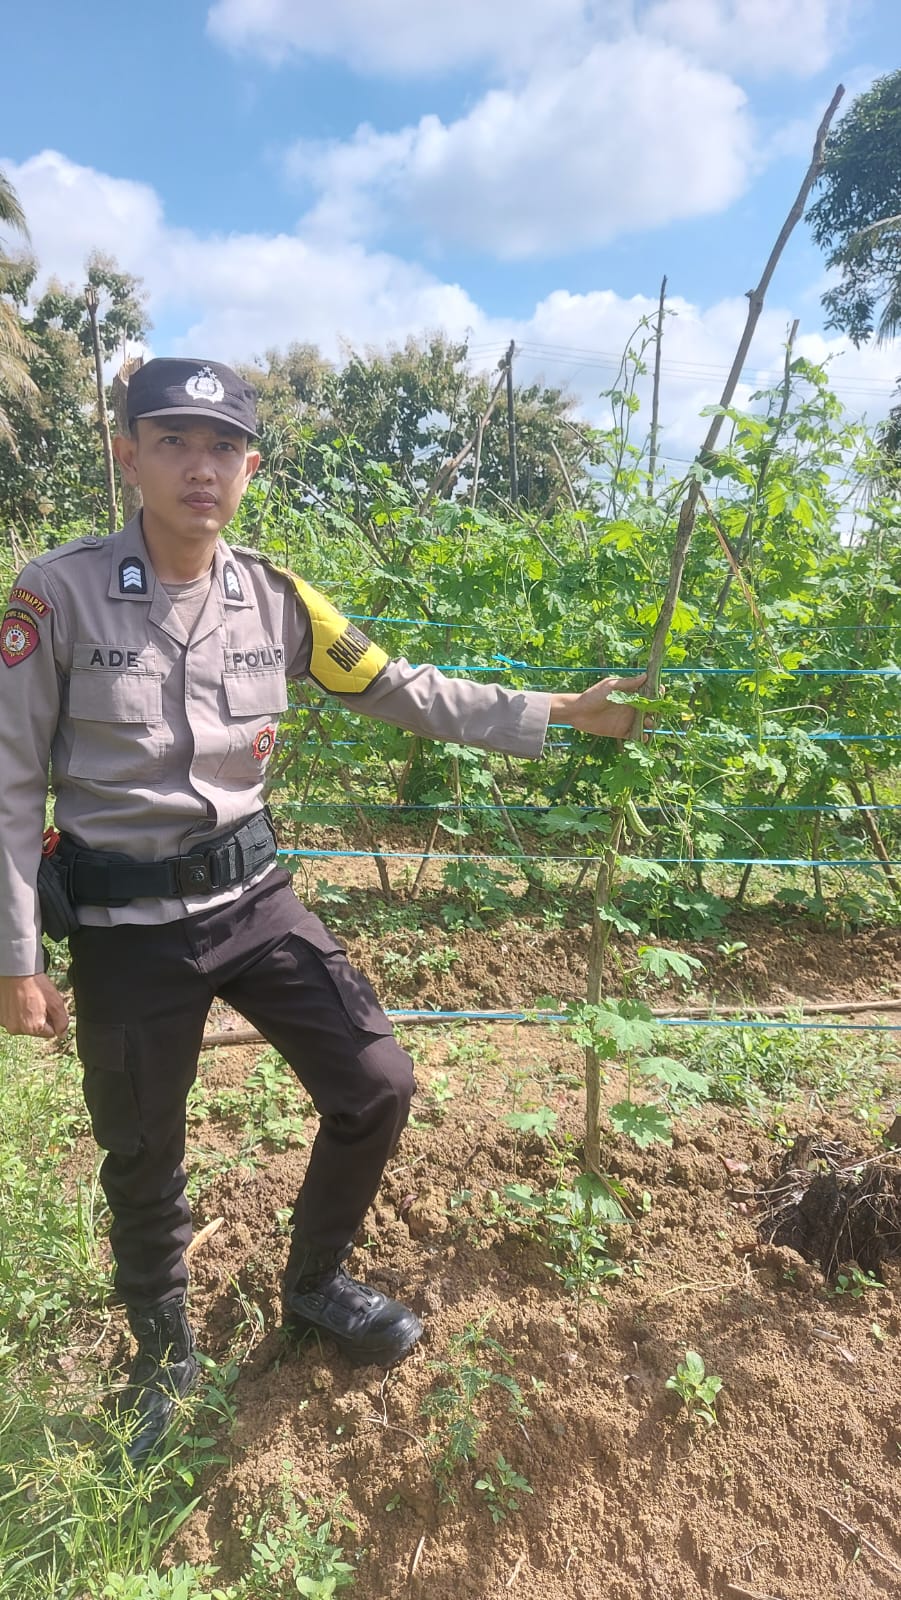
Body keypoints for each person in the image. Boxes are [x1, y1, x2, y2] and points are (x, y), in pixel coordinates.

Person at [0, 357, 647, 1468]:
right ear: (128, 455)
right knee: (142, 1149)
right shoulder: (54, 595)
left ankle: (315, 1282)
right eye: (174, 441)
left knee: (376, 1083)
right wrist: (17, 955)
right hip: (125, 930)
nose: (200, 467)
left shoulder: (278, 598)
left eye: (223, 447)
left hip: (254, 902)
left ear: (250, 467)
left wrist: (556, 712)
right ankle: (161, 1352)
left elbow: (400, 686)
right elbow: (11, 781)